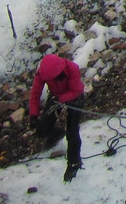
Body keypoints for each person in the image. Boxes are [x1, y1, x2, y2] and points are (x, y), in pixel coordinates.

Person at [28, 54, 85, 182]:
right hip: (56, 98)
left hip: (75, 99)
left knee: (72, 132)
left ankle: (74, 163)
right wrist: (33, 115)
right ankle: (56, 133)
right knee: (42, 128)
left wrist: (61, 99)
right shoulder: (41, 73)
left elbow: (76, 91)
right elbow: (35, 95)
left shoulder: (72, 69)